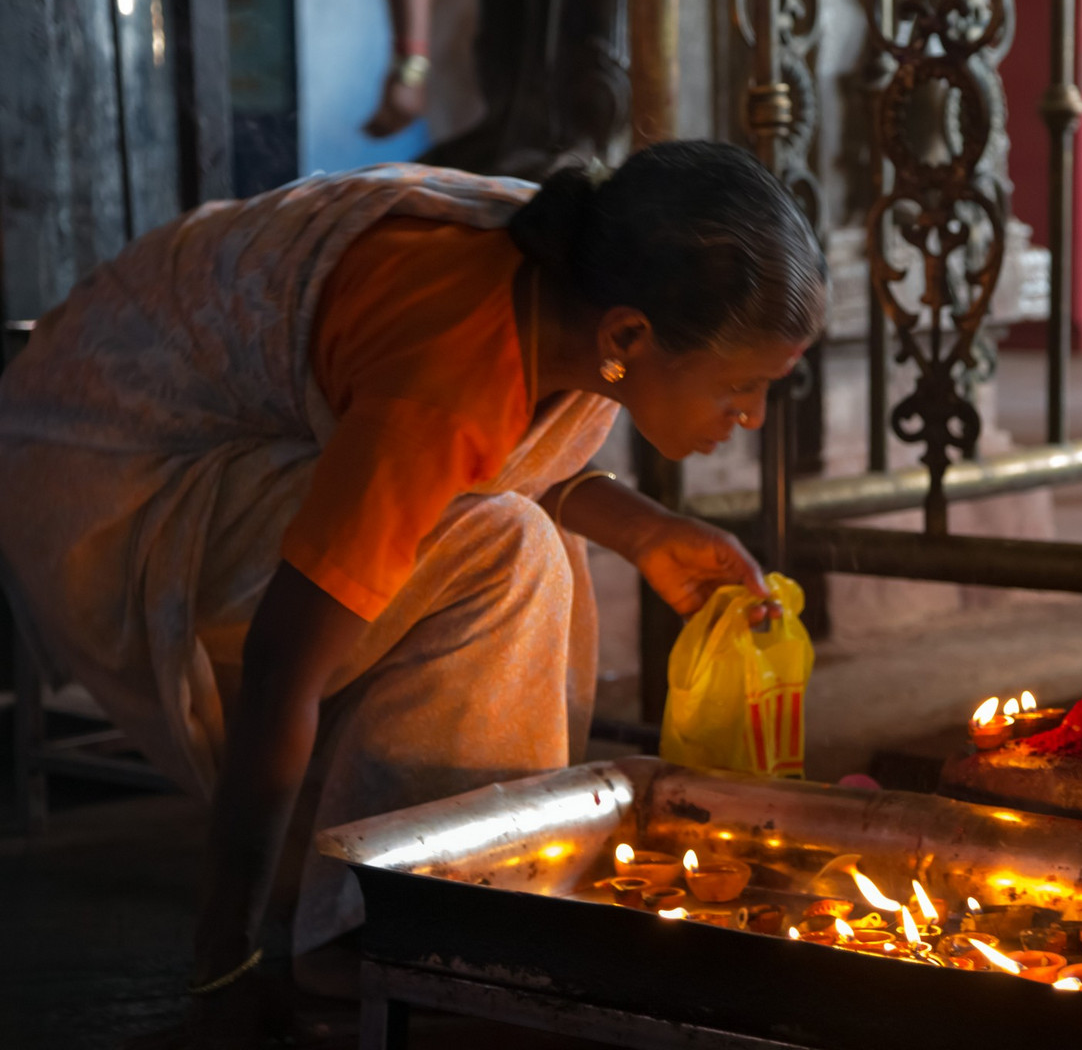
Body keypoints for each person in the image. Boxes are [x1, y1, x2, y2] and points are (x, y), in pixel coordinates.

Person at [0, 140, 824, 1044]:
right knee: (509, 554)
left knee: (509, 537)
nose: (749, 417)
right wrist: (225, 957)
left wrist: (643, 530)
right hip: (104, 480)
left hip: (216, 440)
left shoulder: (575, 272)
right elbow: (286, 662)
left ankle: (388, 898)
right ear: (627, 337)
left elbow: (475, 455)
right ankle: (386, 926)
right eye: (741, 386)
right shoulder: (451, 367)